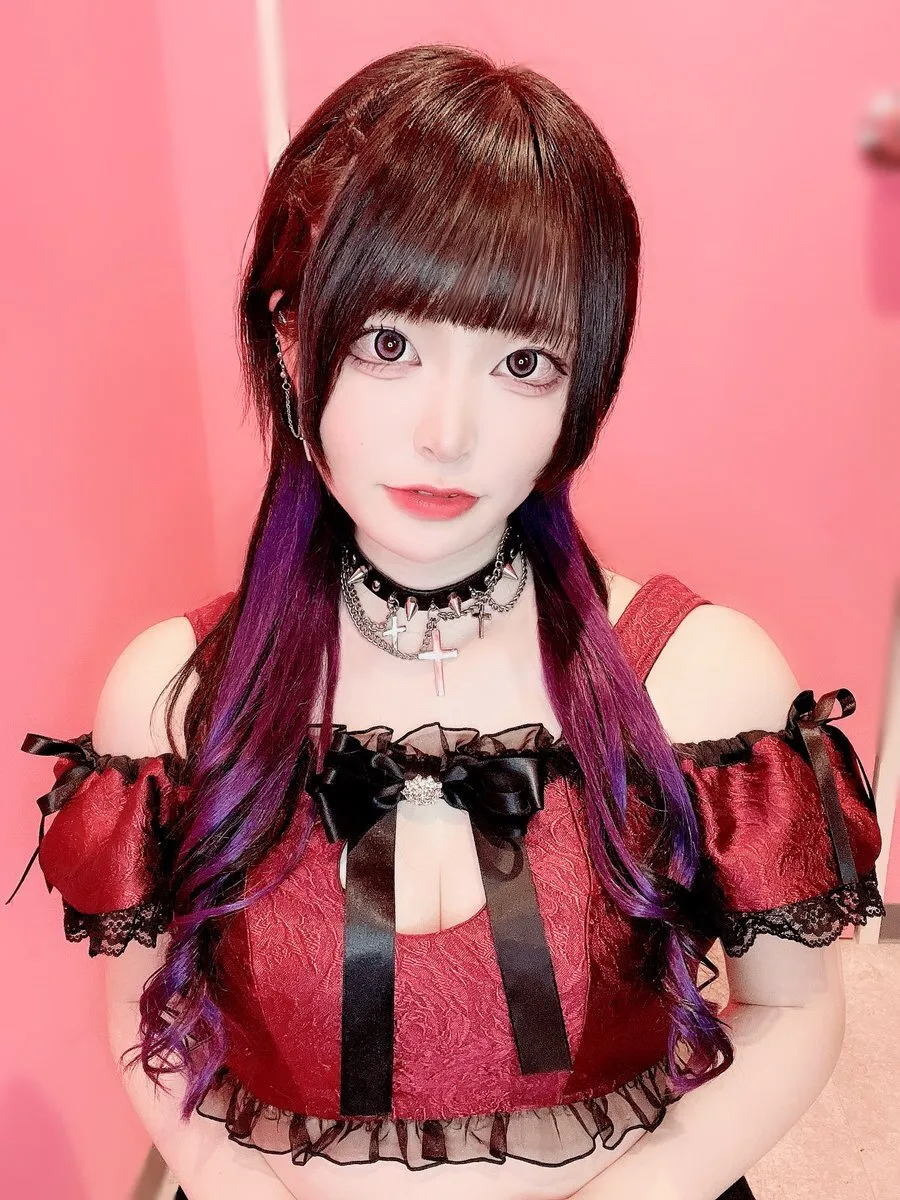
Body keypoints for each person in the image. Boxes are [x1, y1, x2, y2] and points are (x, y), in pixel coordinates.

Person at [9, 43, 884, 1200]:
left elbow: (795, 1009)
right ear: (287, 337)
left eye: (523, 361)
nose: (448, 432)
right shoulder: (173, 699)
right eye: (389, 344)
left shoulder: (702, 680)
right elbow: (148, 1022)